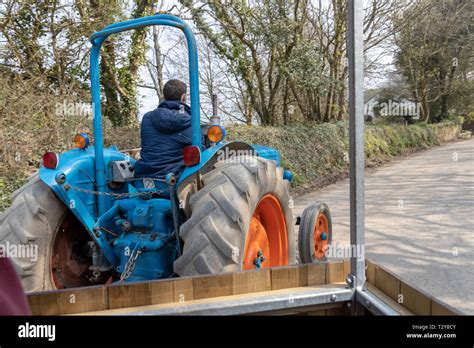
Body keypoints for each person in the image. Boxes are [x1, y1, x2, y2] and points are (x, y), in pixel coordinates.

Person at [134, 79, 193, 180]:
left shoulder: (147, 118)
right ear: (183, 97)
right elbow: (198, 149)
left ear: (164, 96)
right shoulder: (189, 121)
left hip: (144, 179)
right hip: (175, 180)